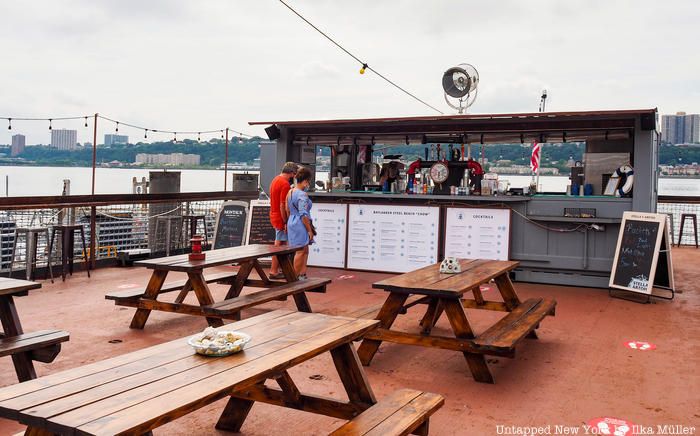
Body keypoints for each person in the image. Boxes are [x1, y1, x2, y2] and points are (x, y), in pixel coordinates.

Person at [268, 161, 298, 279]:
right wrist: (286, 221)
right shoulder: (285, 184)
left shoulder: (275, 180)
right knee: (280, 244)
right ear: (291, 173)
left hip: (273, 214)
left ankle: (277, 269)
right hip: (280, 217)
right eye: (294, 174)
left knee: (280, 243)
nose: (294, 177)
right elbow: (283, 205)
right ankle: (274, 270)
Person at [285, 167, 314, 279]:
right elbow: (303, 214)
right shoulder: (302, 195)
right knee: (300, 251)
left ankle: (302, 273)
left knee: (304, 248)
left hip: (291, 220)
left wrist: (288, 223)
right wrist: (309, 230)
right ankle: (294, 278)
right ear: (306, 180)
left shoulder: (290, 191)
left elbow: (287, 209)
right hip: (300, 223)